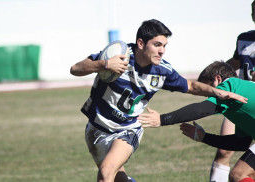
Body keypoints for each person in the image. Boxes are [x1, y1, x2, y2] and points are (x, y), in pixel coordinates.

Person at [70, 19, 247, 182]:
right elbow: (75, 69)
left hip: (127, 130)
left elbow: (191, 86)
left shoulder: (162, 71)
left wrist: (218, 93)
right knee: (118, 178)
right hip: (96, 128)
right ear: (141, 43)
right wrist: (105, 65)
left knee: (106, 172)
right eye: (157, 45)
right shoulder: (118, 55)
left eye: (164, 45)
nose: (162, 50)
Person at [138, 61, 254, 182]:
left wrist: (162, 119)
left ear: (218, 79)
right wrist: (204, 137)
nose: (206, 96)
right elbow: (241, 143)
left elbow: (200, 109)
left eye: (207, 90)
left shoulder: (230, 85)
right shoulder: (241, 98)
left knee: (238, 174)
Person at [210, 1, 255, 181]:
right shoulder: (244, 38)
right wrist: (213, 74)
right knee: (224, 149)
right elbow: (234, 63)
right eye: (254, 11)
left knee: (243, 171)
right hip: (239, 102)